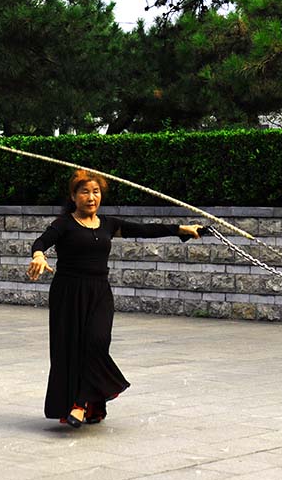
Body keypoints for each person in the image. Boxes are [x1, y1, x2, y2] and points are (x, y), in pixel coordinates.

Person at [27, 169, 202, 428]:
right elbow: (41, 242)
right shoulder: (64, 224)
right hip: (68, 293)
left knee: (96, 343)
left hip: (99, 293)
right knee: (71, 348)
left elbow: (143, 230)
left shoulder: (108, 224)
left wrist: (180, 229)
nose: (91, 197)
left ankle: (85, 402)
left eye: (96, 192)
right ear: (73, 196)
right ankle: (82, 405)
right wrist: (39, 256)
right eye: (85, 192)